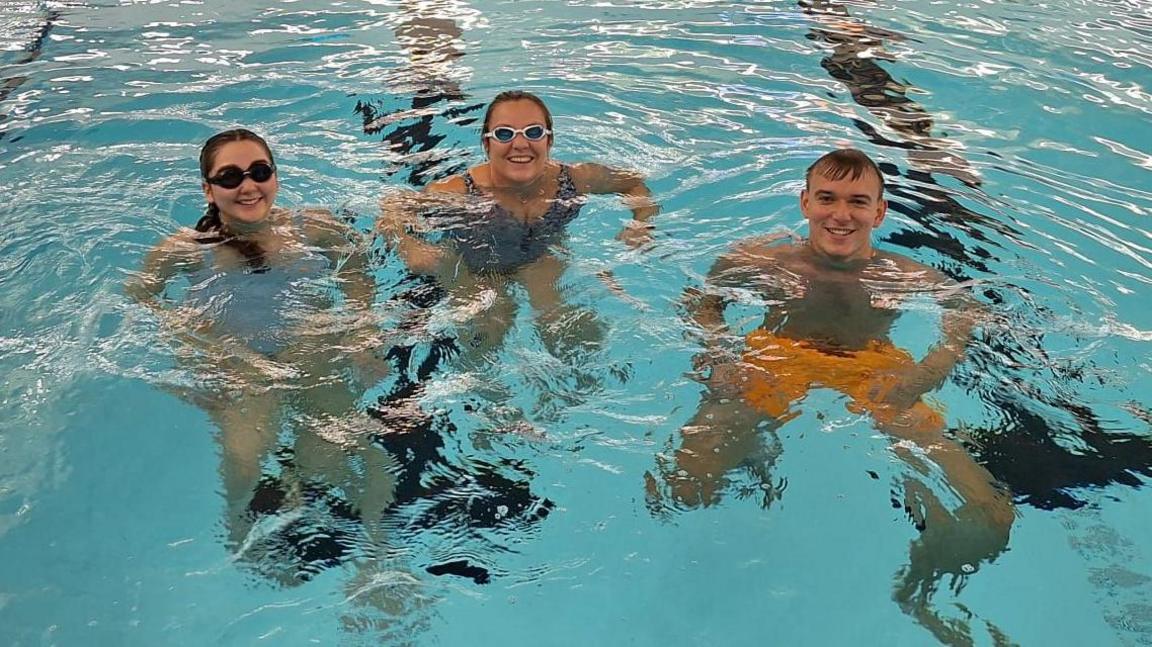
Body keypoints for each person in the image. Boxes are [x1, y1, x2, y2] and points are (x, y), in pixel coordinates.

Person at [651, 148, 1014, 645]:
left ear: (879, 212)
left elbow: (963, 316)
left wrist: (926, 374)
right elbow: (703, 301)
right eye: (827, 198)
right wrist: (719, 355)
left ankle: (920, 587)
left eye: (857, 202)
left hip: (873, 367)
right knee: (682, 487)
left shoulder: (901, 275)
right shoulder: (758, 259)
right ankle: (746, 496)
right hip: (776, 356)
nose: (841, 214)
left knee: (990, 513)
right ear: (805, 203)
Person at [126, 128, 395, 546]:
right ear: (209, 190)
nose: (248, 186)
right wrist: (190, 345)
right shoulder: (184, 249)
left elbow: (358, 271)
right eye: (230, 177)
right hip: (241, 368)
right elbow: (139, 299)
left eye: (259, 171)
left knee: (349, 451)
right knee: (243, 461)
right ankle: (239, 534)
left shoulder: (315, 227)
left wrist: (362, 329)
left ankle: (377, 550)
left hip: (314, 353)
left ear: (275, 176)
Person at [378, 90, 658, 375]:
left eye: (534, 132)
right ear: (486, 144)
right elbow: (393, 207)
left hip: (540, 255)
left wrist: (641, 224)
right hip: (477, 265)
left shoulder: (573, 179)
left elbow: (634, 184)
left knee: (569, 333)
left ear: (549, 140)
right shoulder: (457, 193)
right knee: (489, 331)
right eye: (504, 134)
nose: (520, 144)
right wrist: (408, 246)